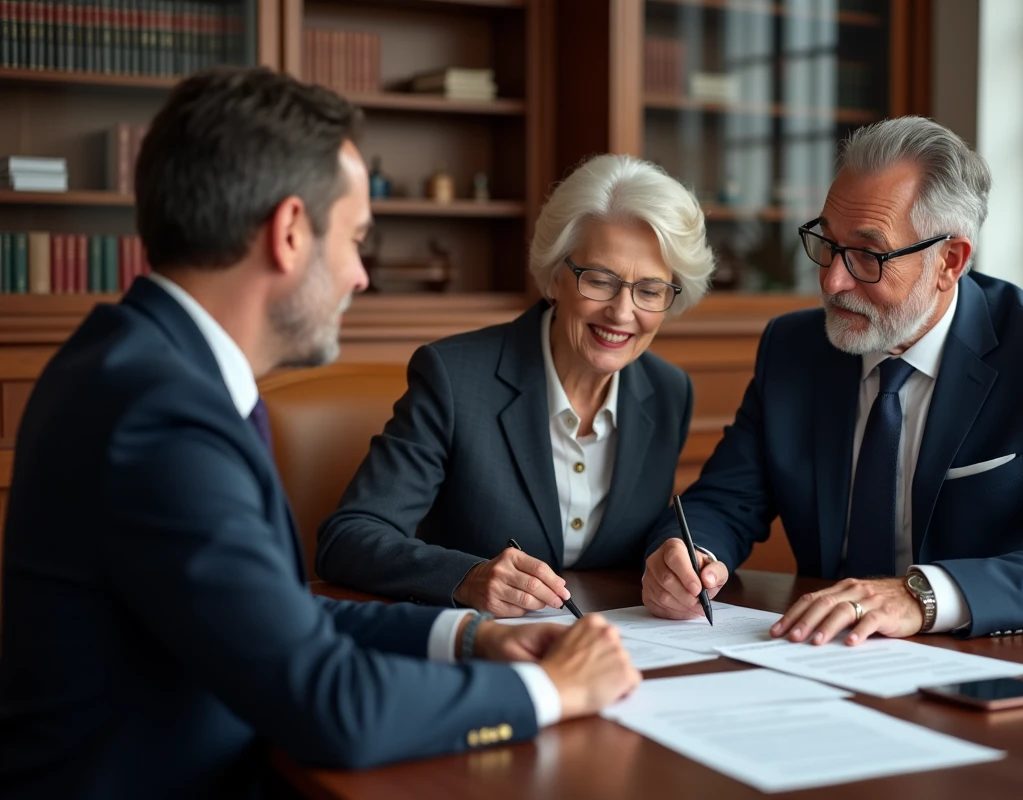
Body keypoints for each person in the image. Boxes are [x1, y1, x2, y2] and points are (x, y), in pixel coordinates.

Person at [0, 67, 639, 800]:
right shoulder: (160, 414)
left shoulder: (142, 366)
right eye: (357, 240)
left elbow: (278, 617)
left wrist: (471, 637)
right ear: (291, 232)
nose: (361, 276)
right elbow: (331, 705)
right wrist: (551, 692)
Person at [642, 116, 1023, 644]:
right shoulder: (794, 349)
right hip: (819, 654)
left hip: (987, 665)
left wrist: (923, 596)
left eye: (868, 255)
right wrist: (687, 555)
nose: (833, 280)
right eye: (828, 243)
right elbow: (723, 501)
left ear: (949, 262)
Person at [315, 154, 715, 616]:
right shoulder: (453, 377)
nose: (622, 313)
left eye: (649, 291)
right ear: (554, 277)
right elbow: (349, 536)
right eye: (600, 281)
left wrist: (675, 561)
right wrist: (467, 578)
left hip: (617, 652)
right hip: (480, 653)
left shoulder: (668, 393)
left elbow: (639, 540)